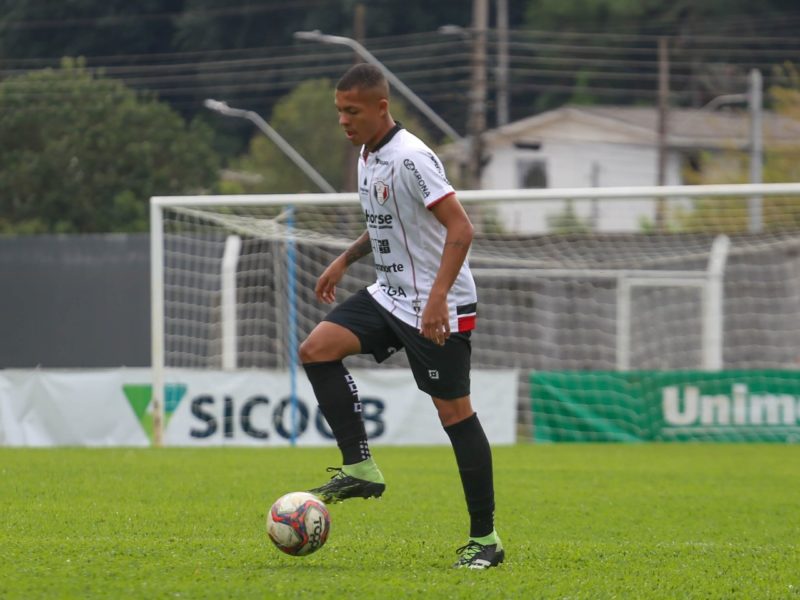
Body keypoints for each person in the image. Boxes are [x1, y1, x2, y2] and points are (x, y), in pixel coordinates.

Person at [299, 63, 503, 570]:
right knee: (316, 350)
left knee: (454, 415)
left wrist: (435, 299)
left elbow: (461, 229)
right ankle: (361, 467)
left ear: (380, 108)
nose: (344, 121)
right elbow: (388, 223)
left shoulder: (412, 157)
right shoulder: (369, 155)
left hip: (438, 305)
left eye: (353, 111)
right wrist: (345, 259)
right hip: (390, 295)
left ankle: (486, 540)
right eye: (339, 111)